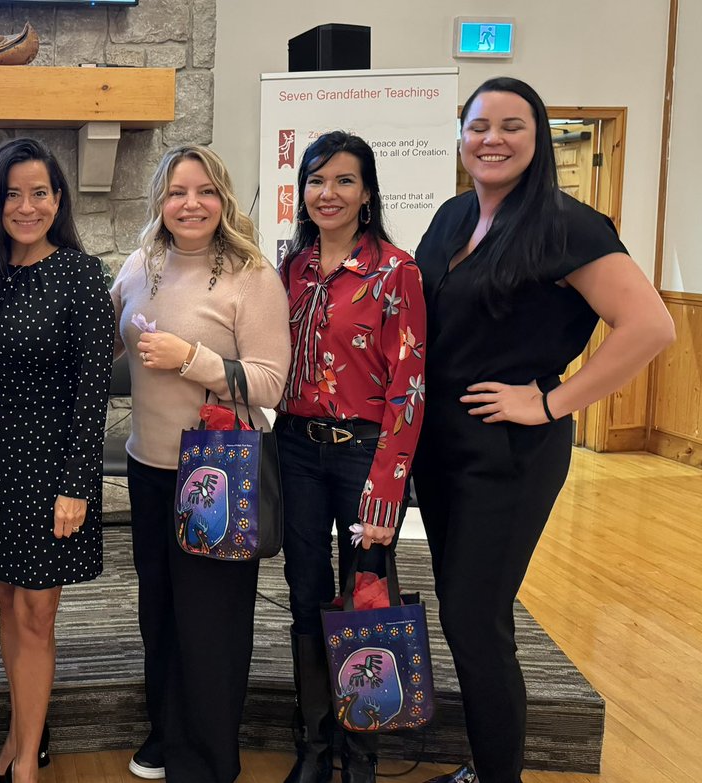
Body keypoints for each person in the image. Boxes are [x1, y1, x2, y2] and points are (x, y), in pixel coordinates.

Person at [412, 77, 674, 783]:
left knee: (476, 619)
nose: (492, 138)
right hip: (438, 447)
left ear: (538, 138)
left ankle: (497, 777)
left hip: (508, 451)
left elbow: (651, 326)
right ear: (460, 135)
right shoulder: (450, 217)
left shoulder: (567, 224)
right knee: (462, 612)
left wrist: (553, 402)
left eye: (512, 125)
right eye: (478, 125)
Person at [110, 144, 290, 783]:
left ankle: (209, 759)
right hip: (150, 466)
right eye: (177, 192)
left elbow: (270, 384)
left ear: (224, 199)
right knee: (158, 610)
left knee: (212, 622)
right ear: (159, 200)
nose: (191, 204)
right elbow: (110, 350)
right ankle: (167, 731)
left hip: (219, 469)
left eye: (205, 191)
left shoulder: (251, 274)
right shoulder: (140, 265)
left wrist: (191, 358)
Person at [0, 138, 113, 783]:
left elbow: (92, 387)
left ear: (58, 199)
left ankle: (25, 769)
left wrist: (78, 483)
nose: (27, 206)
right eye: (13, 194)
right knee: (6, 608)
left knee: (36, 613)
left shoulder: (79, 274)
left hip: (53, 471)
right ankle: (22, 740)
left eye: (40, 193)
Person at [275, 131, 426, 783]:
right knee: (305, 592)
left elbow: (410, 388)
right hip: (296, 450)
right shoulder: (290, 269)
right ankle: (313, 744)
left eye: (343, 180)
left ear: (366, 193)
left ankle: (360, 749)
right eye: (315, 180)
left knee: (364, 591)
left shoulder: (397, 271)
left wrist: (390, 491)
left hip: (366, 454)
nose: (327, 193)